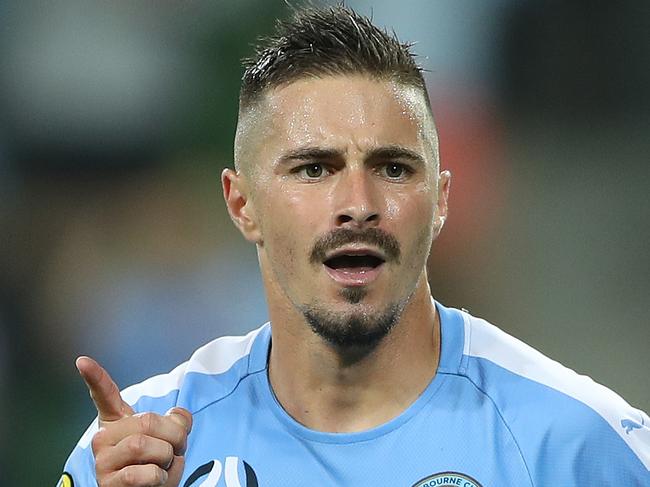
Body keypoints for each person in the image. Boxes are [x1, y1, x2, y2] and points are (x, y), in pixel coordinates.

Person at [59, 5, 649, 487]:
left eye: (393, 169)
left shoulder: (573, 443)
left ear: (440, 200)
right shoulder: (134, 454)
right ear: (242, 205)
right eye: (314, 169)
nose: (358, 202)